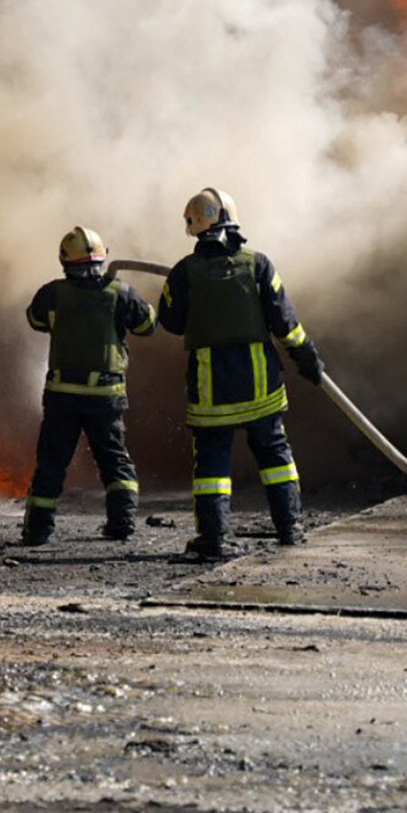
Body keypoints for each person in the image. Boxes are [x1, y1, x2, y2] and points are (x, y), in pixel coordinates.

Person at [159, 188, 324, 560]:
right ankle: (290, 529)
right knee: (274, 454)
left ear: (194, 225)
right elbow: (286, 322)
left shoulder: (184, 272)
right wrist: (307, 358)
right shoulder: (259, 264)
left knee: (212, 463)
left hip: (211, 387)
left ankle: (213, 540)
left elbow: (169, 322)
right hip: (260, 383)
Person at [21, 226, 158, 546]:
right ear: (101, 257)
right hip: (105, 395)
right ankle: (122, 522)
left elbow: (36, 320)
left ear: (65, 261)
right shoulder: (121, 293)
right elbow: (147, 326)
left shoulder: (52, 293)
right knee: (113, 459)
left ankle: (38, 531)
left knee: (52, 462)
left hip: (61, 395)